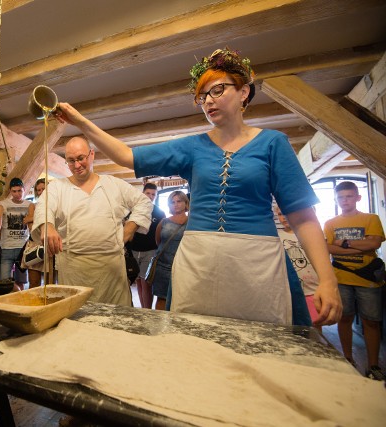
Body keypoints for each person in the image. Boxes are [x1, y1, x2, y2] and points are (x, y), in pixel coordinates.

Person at [56, 48, 341, 326]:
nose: (208, 101)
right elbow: (126, 156)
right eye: (202, 96)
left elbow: (302, 216)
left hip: (257, 261)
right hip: (199, 259)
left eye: (217, 90)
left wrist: (327, 280)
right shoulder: (192, 146)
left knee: (258, 344)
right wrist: (79, 121)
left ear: (244, 92)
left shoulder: (272, 143)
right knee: (196, 341)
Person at [31, 137, 152, 306]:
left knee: (113, 320)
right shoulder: (57, 188)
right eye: (71, 161)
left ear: (92, 155)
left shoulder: (113, 184)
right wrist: (47, 226)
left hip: (111, 270)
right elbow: (44, 207)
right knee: (77, 319)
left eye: (81, 158)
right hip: (73, 269)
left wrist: (130, 228)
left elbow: (143, 202)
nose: (77, 165)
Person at [324, 181, 385, 380]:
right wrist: (361, 245)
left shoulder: (371, 218)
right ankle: (348, 358)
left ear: (358, 197)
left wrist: (346, 243)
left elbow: (375, 242)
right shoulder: (331, 223)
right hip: (341, 277)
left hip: (367, 278)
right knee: (344, 318)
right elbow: (329, 248)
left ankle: (373, 365)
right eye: (341, 197)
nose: (345, 200)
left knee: (371, 321)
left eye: (349, 196)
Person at [275, 205, 320, 329]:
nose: (284, 217)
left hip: (312, 289)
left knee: (315, 328)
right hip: (290, 289)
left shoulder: (310, 234)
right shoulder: (277, 236)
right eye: (280, 214)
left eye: (287, 213)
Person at [126, 182, 166, 309]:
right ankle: (142, 309)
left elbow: (162, 233)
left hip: (150, 251)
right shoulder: (133, 210)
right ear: (142, 193)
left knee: (146, 283)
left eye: (153, 194)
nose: (150, 196)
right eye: (148, 193)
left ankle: (147, 311)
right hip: (133, 250)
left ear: (156, 196)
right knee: (137, 281)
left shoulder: (159, 212)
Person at [154, 191, 188, 310]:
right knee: (162, 298)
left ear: (185, 203)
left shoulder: (192, 222)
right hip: (163, 266)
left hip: (184, 266)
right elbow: (158, 242)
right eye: (172, 202)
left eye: (179, 201)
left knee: (182, 299)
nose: (176, 204)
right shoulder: (164, 222)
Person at [0, 177, 31, 291]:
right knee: (3, 280)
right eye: (14, 191)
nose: (17, 194)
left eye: (20, 191)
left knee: (21, 280)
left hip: (23, 248)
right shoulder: (3, 204)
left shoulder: (29, 205)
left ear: (24, 190)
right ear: (10, 191)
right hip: (6, 247)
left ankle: (19, 302)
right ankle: (14, 296)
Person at [22, 178, 56, 287]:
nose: (40, 192)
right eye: (38, 190)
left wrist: (32, 218)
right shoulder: (33, 205)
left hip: (50, 246)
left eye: (43, 189)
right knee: (34, 283)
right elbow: (31, 227)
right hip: (35, 245)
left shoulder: (56, 205)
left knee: (50, 284)